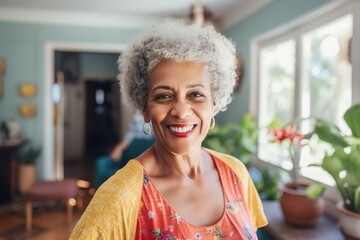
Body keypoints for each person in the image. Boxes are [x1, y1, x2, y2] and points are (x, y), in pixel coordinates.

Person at [70, 20, 267, 239]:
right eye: (164, 96)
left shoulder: (236, 173)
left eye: (196, 95)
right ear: (144, 109)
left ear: (214, 105)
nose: (181, 112)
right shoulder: (121, 196)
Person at [94, 112, 155, 188]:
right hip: (131, 159)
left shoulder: (157, 119)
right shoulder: (137, 116)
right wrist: (118, 149)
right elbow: (129, 136)